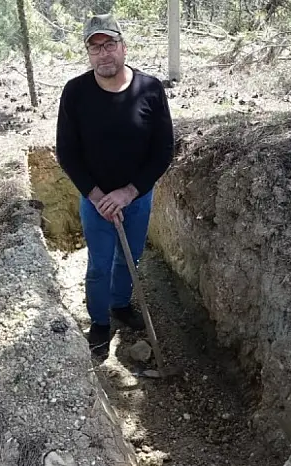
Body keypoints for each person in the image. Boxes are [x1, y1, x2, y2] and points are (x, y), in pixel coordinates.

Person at [55, 13, 174, 356]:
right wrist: (98, 197)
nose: (103, 54)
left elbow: (163, 149)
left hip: (137, 198)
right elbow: (67, 152)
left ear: (123, 47)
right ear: (88, 54)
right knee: (98, 264)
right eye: (95, 48)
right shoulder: (75, 92)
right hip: (96, 203)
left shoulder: (149, 88)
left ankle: (120, 304)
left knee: (130, 257)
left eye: (109, 45)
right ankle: (100, 322)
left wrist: (128, 193)